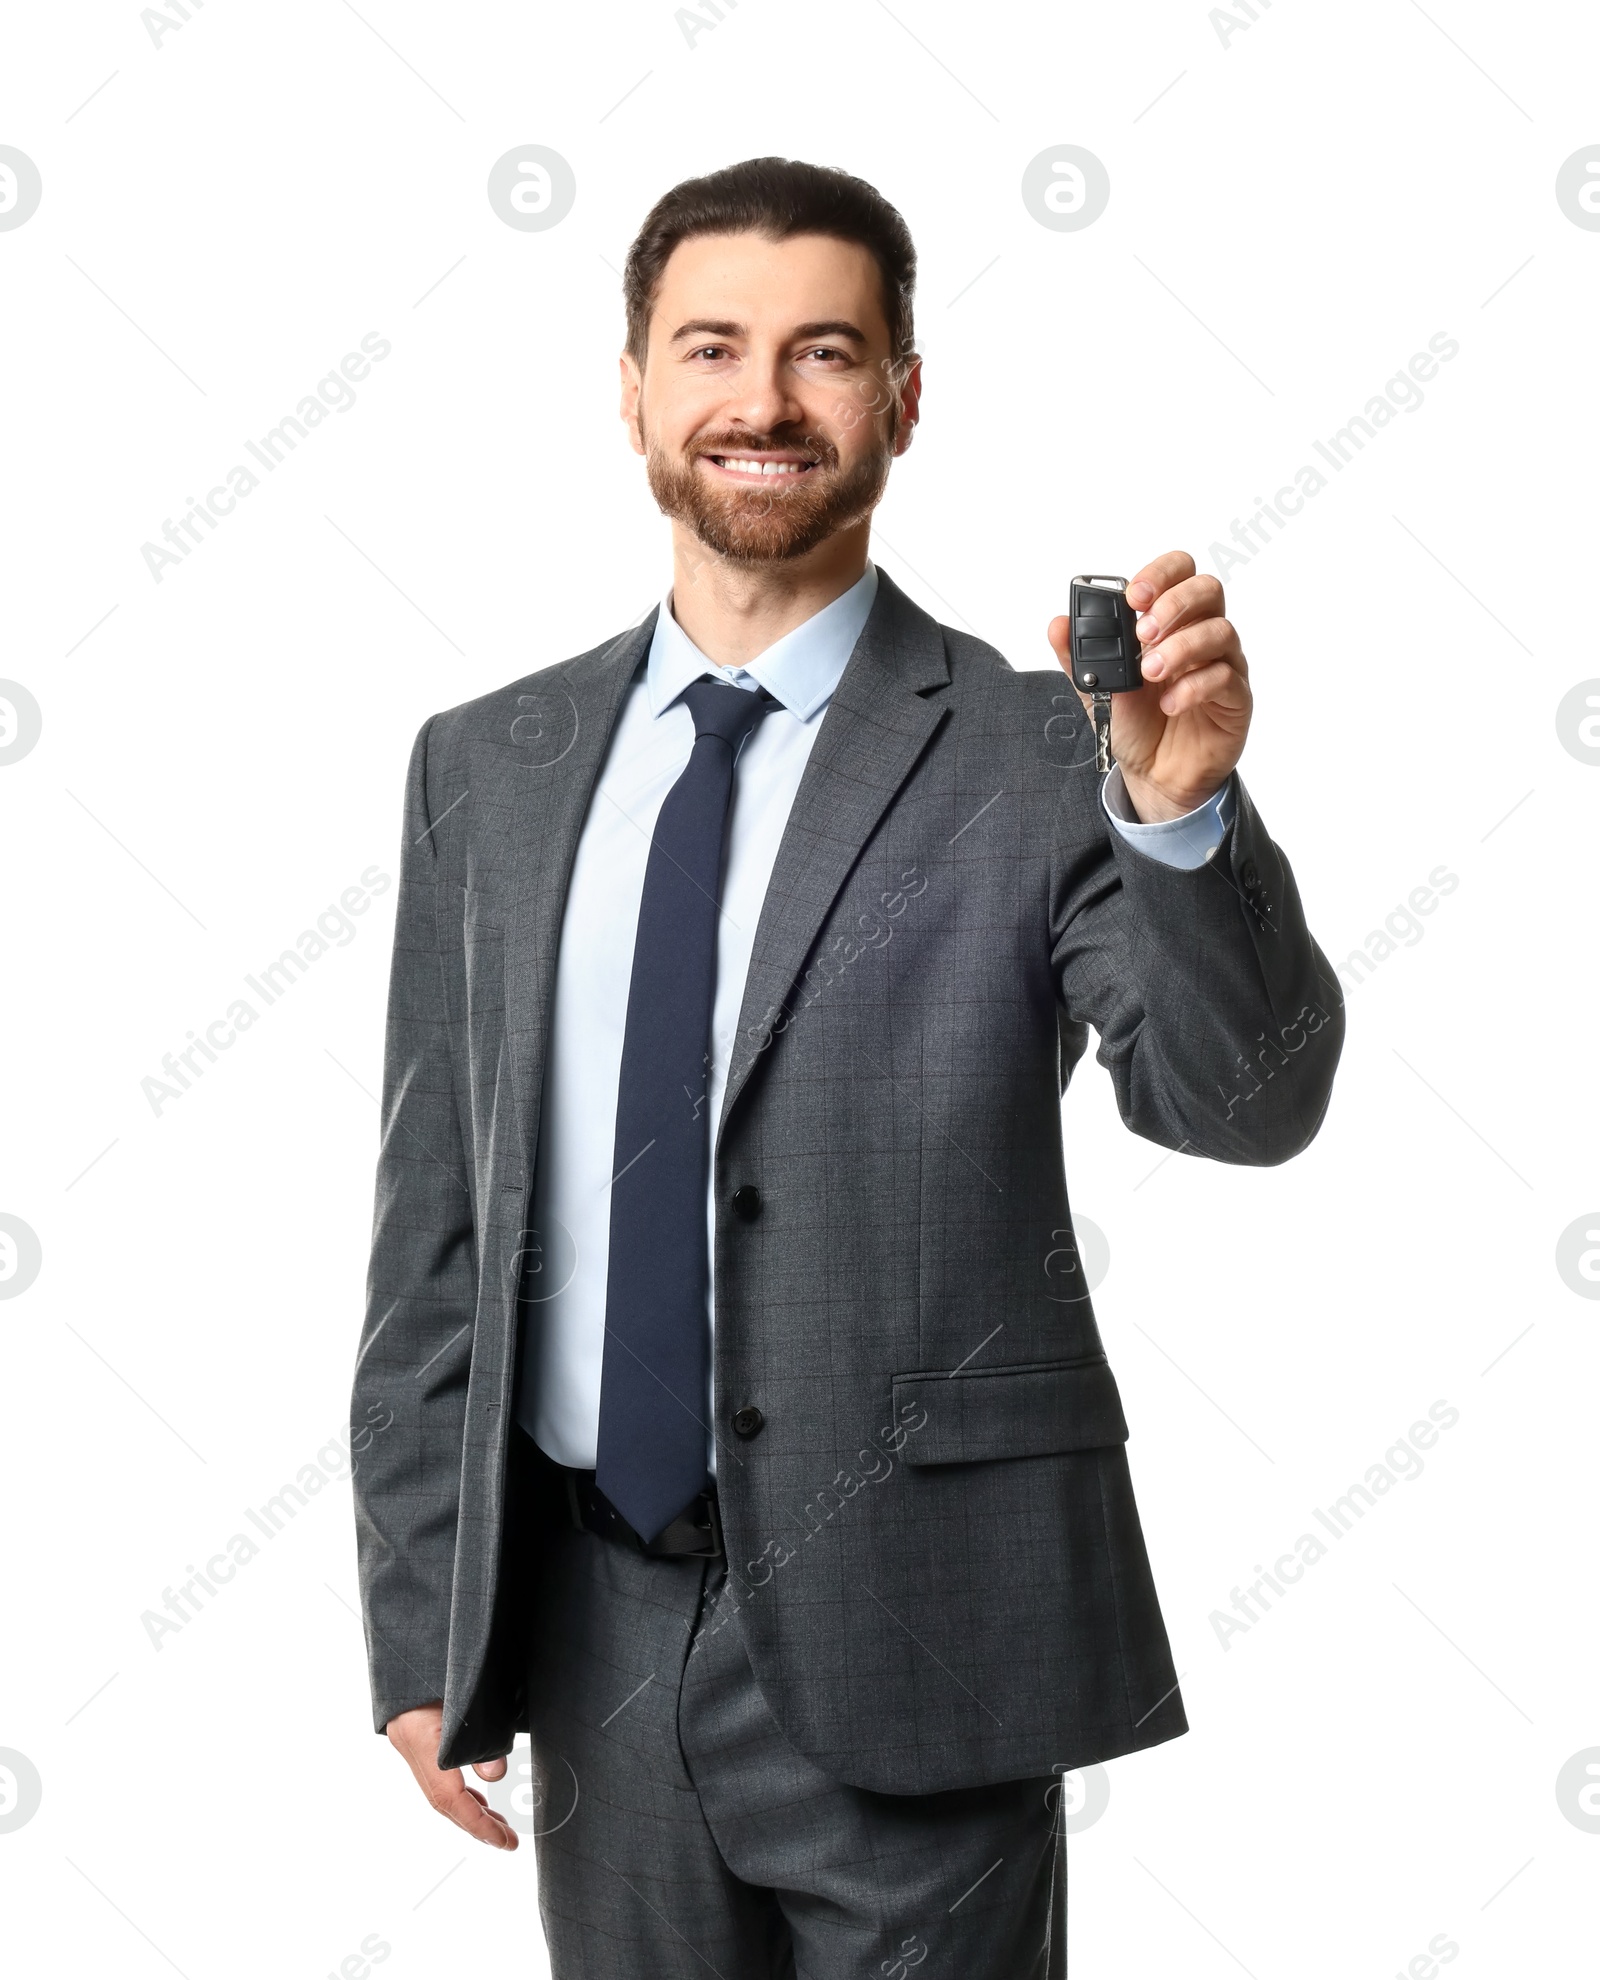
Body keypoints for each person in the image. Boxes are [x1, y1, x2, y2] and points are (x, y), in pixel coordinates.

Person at [351, 154, 1343, 1979]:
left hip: (928, 1633)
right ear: (632, 387)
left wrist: (1184, 820)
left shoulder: (1050, 757)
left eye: (824, 353)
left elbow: (1244, 1101)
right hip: (592, 1635)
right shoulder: (485, 765)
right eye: (709, 346)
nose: (761, 400)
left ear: (901, 398)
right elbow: (435, 1237)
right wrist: (428, 1628)